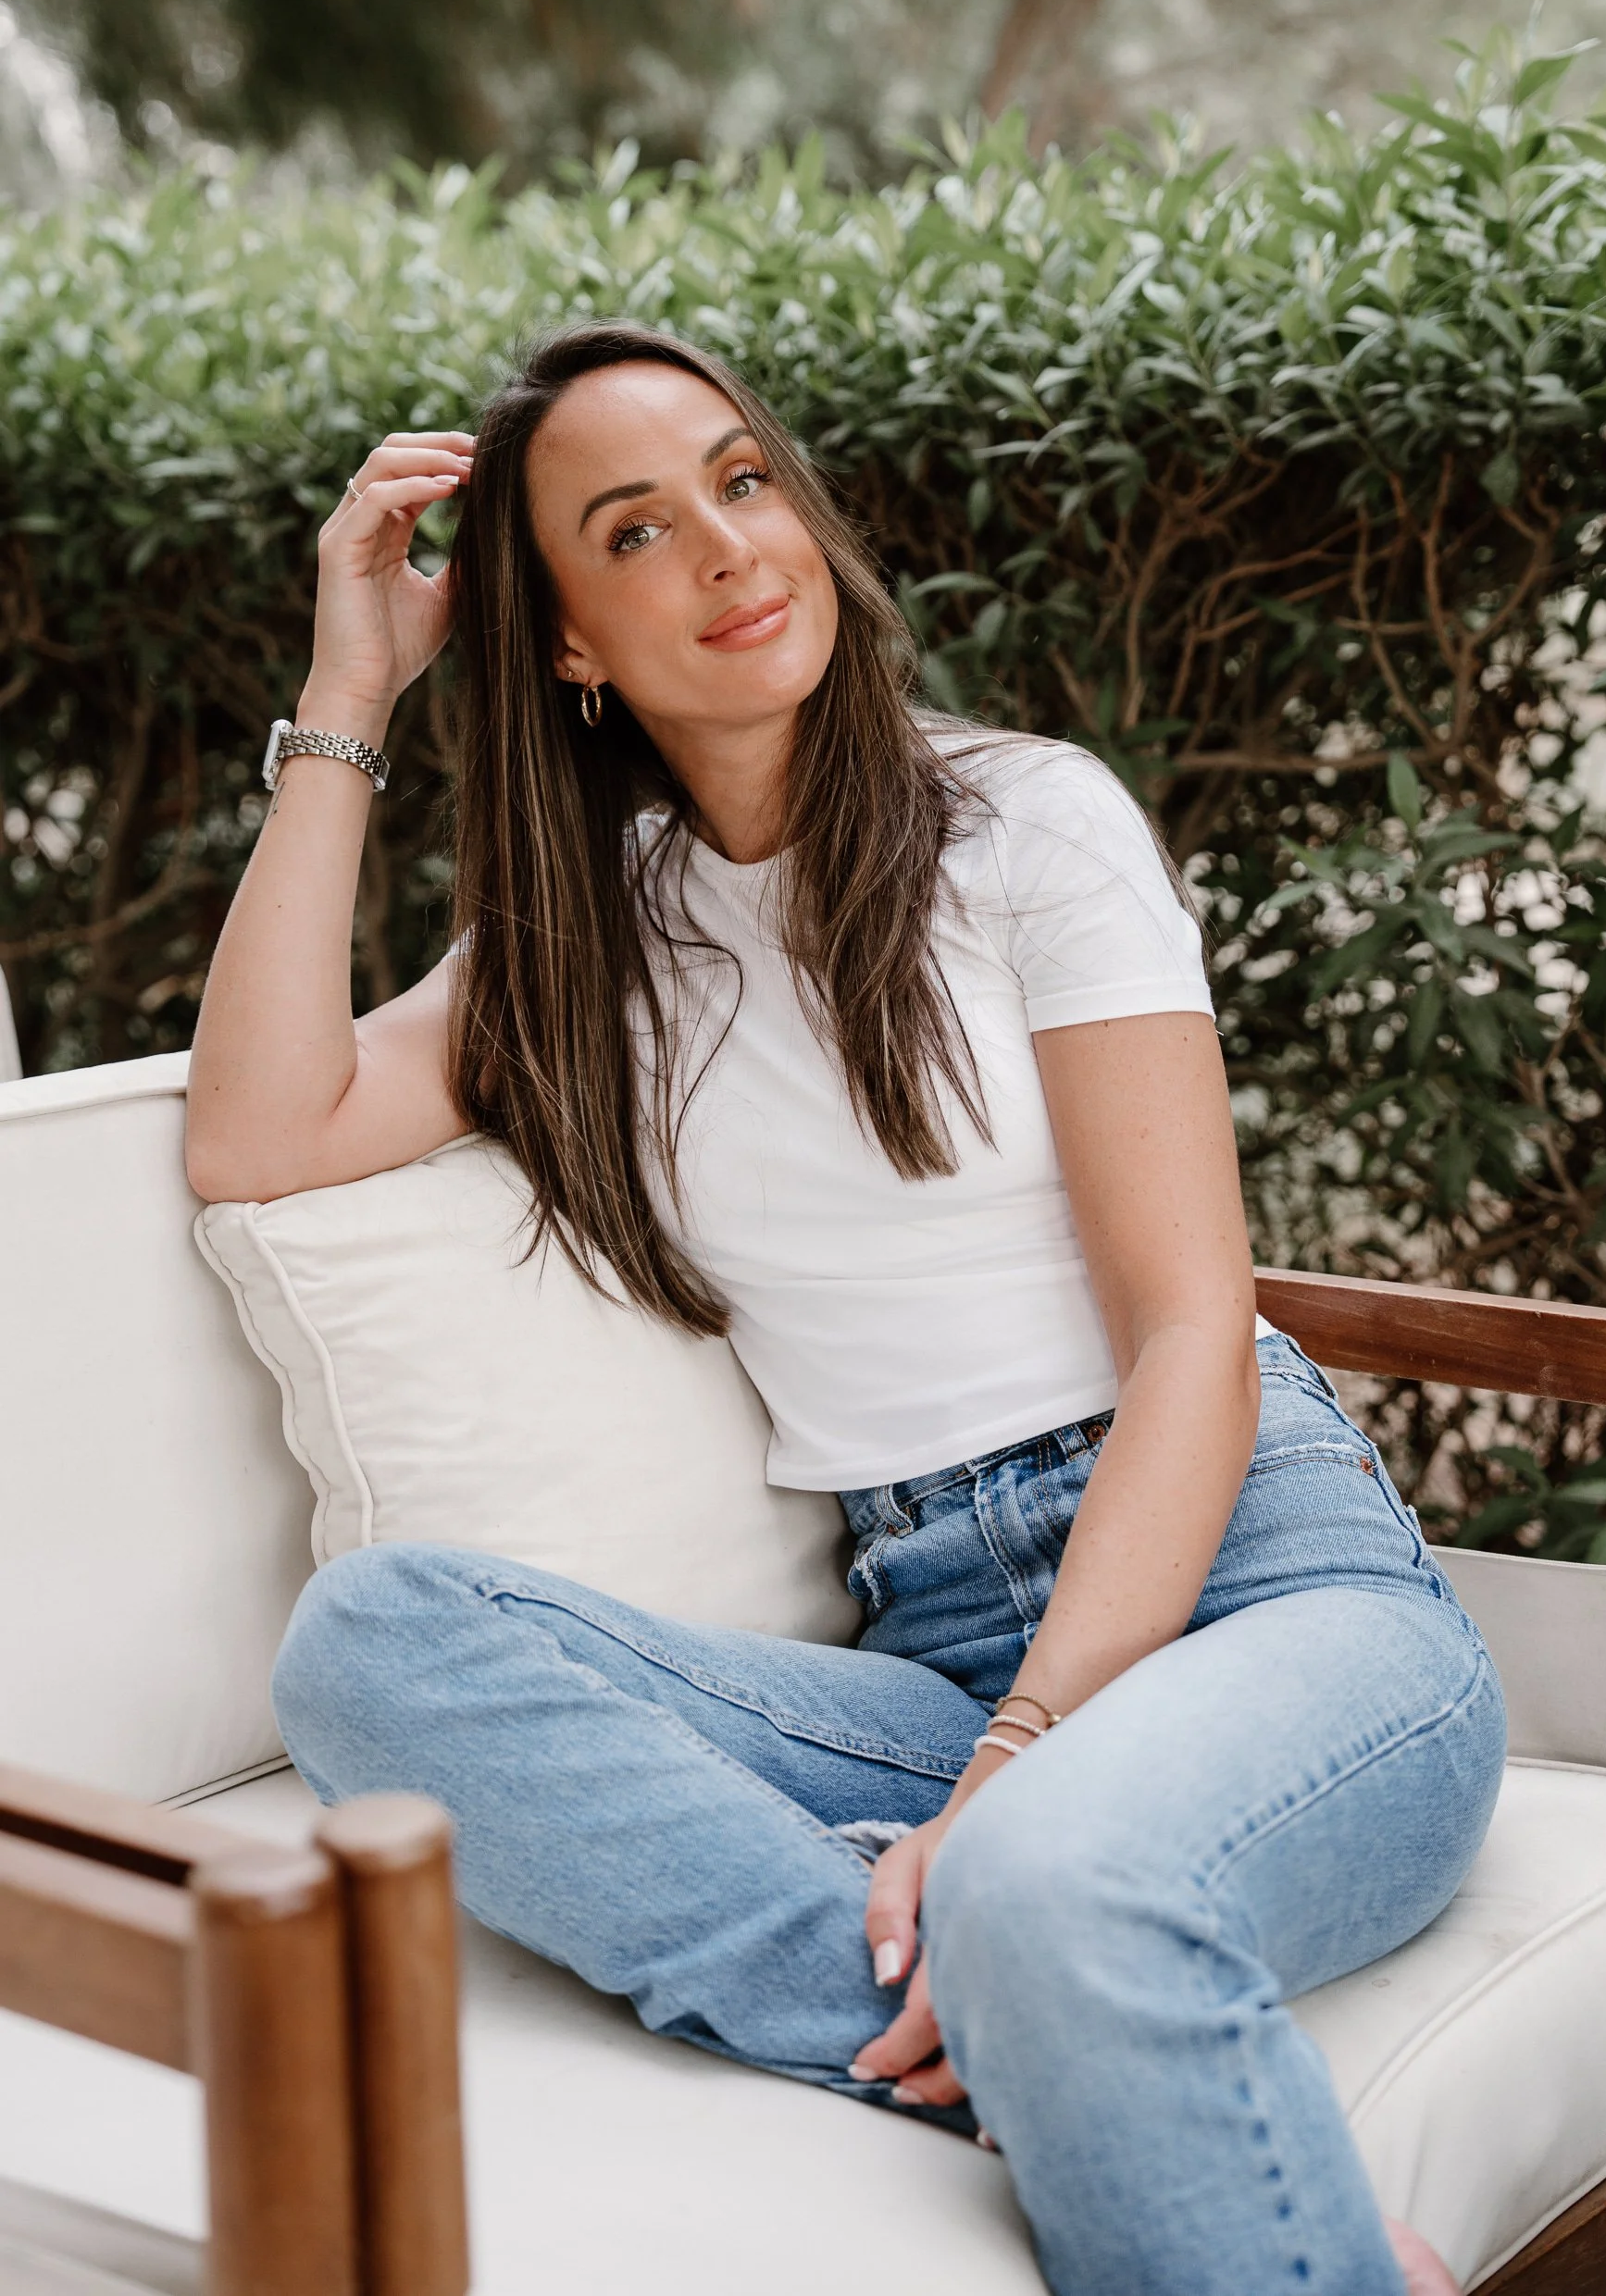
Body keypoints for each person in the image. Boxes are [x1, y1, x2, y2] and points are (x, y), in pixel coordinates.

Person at [185, 320, 1503, 2296]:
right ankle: (1063, 2051)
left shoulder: (1031, 828)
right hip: (935, 1635)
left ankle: (1049, 1957)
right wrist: (348, 687)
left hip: (1257, 1589)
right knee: (373, 1640)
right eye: (635, 532)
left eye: (743, 481)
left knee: (1042, 1874)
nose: (728, 548)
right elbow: (262, 1133)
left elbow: (1192, 1333)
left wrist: (1015, 1776)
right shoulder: (592, 937)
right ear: (565, 642)